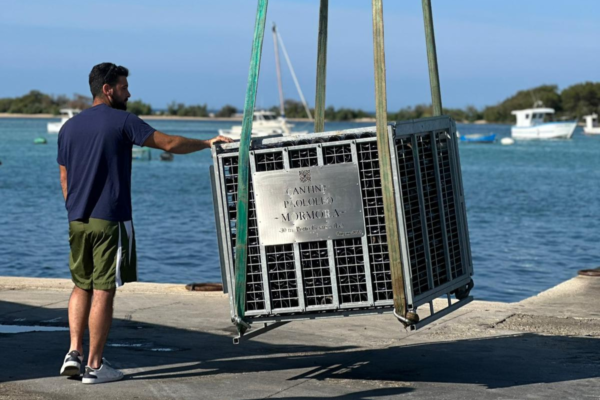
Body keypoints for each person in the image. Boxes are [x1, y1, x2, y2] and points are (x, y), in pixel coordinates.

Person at [57, 62, 232, 384]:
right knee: (104, 290)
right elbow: (168, 144)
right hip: (110, 219)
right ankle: (95, 366)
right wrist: (208, 143)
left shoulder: (70, 127)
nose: (129, 92)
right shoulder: (123, 121)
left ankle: (73, 353)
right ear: (107, 89)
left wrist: (73, 208)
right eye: (123, 87)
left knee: (81, 285)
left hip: (76, 220)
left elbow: (64, 174)